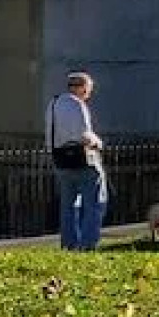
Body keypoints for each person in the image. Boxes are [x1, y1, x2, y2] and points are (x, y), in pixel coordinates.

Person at [47, 71, 108, 251]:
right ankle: (88, 244)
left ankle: (69, 243)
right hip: (83, 160)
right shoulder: (78, 105)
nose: (88, 94)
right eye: (88, 90)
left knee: (68, 205)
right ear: (82, 88)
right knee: (95, 203)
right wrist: (98, 142)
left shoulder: (54, 103)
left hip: (61, 159)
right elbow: (84, 135)